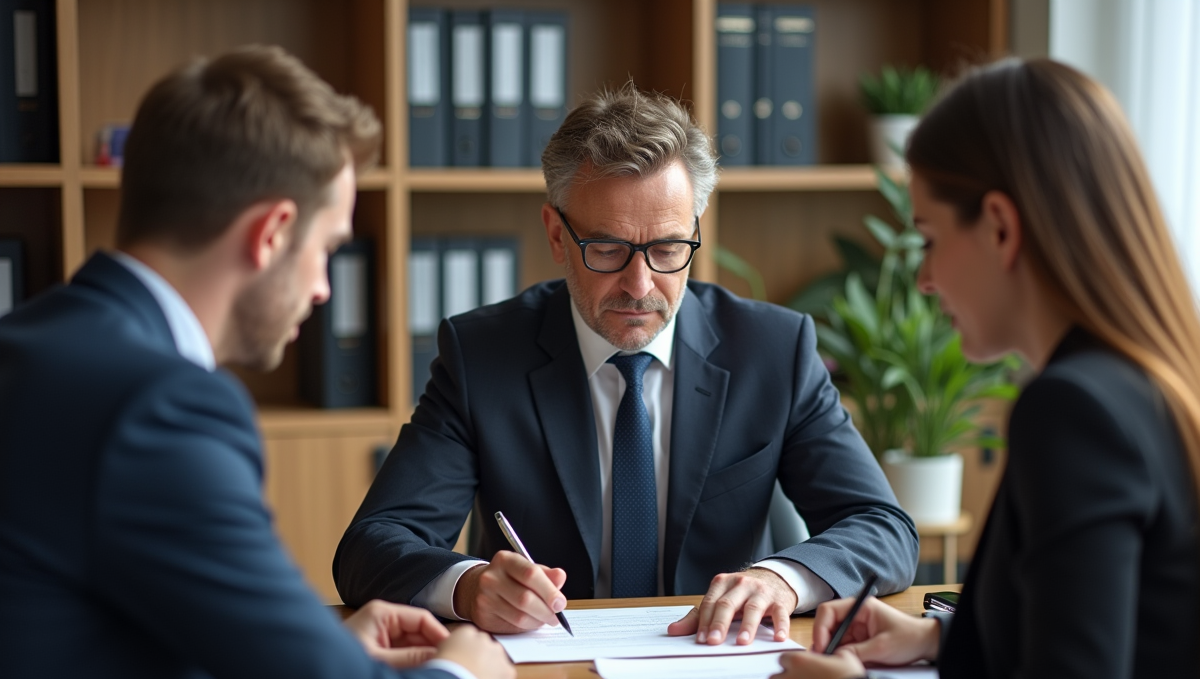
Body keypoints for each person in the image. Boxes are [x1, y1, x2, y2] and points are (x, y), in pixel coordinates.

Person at [0, 46, 515, 679]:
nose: (322, 290)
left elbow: (89, 636)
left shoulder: (36, 345)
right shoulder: (161, 409)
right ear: (271, 232)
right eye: (328, 249)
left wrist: (316, 656)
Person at [334, 83, 918, 644]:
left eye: (667, 249)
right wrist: (465, 587)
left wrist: (781, 580)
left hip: (715, 662)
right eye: (608, 249)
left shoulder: (773, 349)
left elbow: (883, 528)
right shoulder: (483, 354)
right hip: (551, 669)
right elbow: (371, 545)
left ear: (695, 232)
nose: (640, 286)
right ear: (558, 237)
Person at [769, 58, 1200, 679]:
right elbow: (1126, 628)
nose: (926, 278)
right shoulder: (1152, 383)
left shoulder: (1075, 410)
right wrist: (937, 638)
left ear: (999, 226)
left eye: (930, 237)